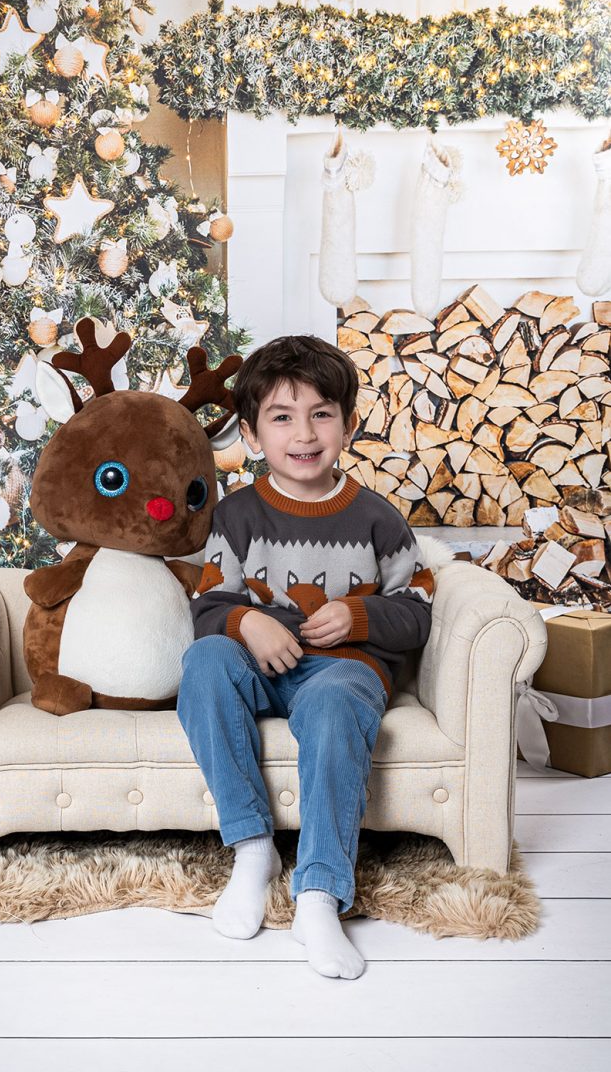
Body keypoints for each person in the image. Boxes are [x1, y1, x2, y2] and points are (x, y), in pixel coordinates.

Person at [176, 334, 434, 979]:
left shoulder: (377, 519)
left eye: (321, 414)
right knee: (205, 663)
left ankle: (318, 894)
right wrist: (248, 620)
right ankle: (252, 848)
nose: (304, 434)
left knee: (337, 703)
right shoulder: (236, 516)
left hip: (344, 670)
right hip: (259, 667)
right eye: (282, 417)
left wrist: (359, 616)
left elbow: (417, 611)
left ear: (348, 425)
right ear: (252, 433)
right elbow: (207, 609)